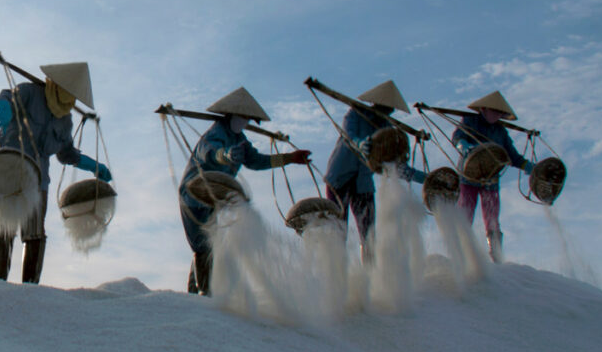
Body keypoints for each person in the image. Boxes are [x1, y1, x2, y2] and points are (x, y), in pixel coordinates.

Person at [0, 62, 112, 285]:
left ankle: (30, 289)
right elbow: (7, 95)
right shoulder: (31, 93)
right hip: (8, 168)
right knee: (5, 227)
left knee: (35, 233)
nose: (68, 100)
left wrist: (93, 166)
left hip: (37, 180)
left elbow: (66, 153)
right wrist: (4, 108)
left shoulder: (65, 120)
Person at [178, 87, 312, 296]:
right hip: (195, 195)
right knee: (203, 245)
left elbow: (257, 161)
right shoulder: (216, 133)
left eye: (248, 119)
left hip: (216, 198)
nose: (245, 122)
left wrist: (289, 159)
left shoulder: (240, 139)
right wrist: (225, 155)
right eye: (243, 117)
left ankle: (199, 292)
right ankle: (203, 294)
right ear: (232, 115)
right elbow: (209, 153)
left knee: (213, 244)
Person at [323, 80, 426, 264]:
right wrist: (361, 144)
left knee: (369, 233)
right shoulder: (354, 115)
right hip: (339, 178)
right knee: (338, 230)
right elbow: (349, 136)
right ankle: (338, 274)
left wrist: (424, 178)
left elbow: (395, 167)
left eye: (391, 109)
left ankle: (370, 272)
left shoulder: (387, 129)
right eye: (386, 107)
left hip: (363, 183)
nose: (388, 111)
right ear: (376, 103)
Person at [451, 90, 534, 263]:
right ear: (483, 109)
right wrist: (463, 145)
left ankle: (496, 255)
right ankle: (460, 253)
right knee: (465, 214)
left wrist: (527, 166)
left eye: (500, 113)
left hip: (491, 179)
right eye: (494, 111)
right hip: (469, 176)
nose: (497, 116)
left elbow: (512, 156)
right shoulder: (470, 121)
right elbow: (457, 136)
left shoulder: (501, 132)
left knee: (492, 219)